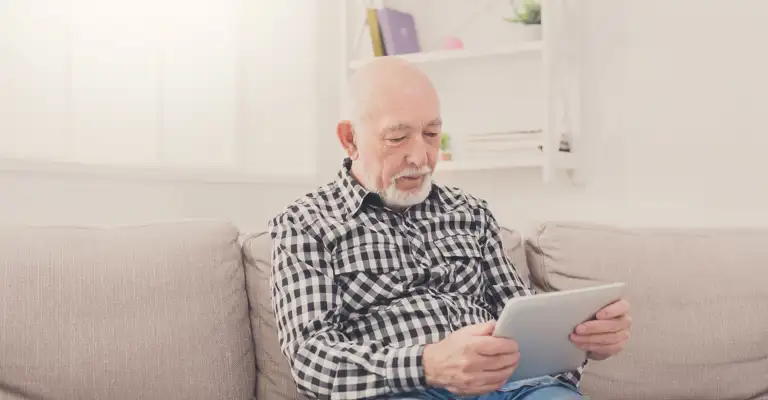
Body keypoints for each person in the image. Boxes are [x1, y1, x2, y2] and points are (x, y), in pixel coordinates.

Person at [268, 58, 632, 400]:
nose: (421, 156)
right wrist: (425, 364)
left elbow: (518, 313)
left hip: (514, 387)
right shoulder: (305, 224)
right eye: (397, 138)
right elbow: (310, 358)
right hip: (402, 390)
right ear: (350, 139)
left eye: (431, 133)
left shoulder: (470, 212)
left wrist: (581, 339)